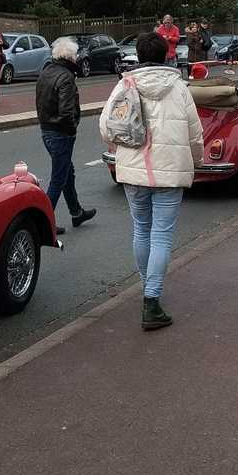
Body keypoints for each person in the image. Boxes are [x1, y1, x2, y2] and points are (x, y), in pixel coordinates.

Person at [102, 32, 204, 331]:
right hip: (170, 171)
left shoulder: (125, 84)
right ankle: (151, 300)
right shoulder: (179, 87)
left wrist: (119, 148)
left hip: (134, 170)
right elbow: (194, 131)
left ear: (138, 55)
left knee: (141, 230)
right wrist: (196, 161)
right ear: (166, 54)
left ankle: (148, 290)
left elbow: (106, 126)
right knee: (161, 235)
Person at [36, 38, 97, 234]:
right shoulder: (66, 77)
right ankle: (43, 224)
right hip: (61, 133)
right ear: (70, 57)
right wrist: (71, 128)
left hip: (46, 129)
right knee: (58, 179)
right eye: (76, 55)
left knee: (66, 172)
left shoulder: (46, 72)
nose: (77, 58)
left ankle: (76, 212)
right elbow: (66, 111)